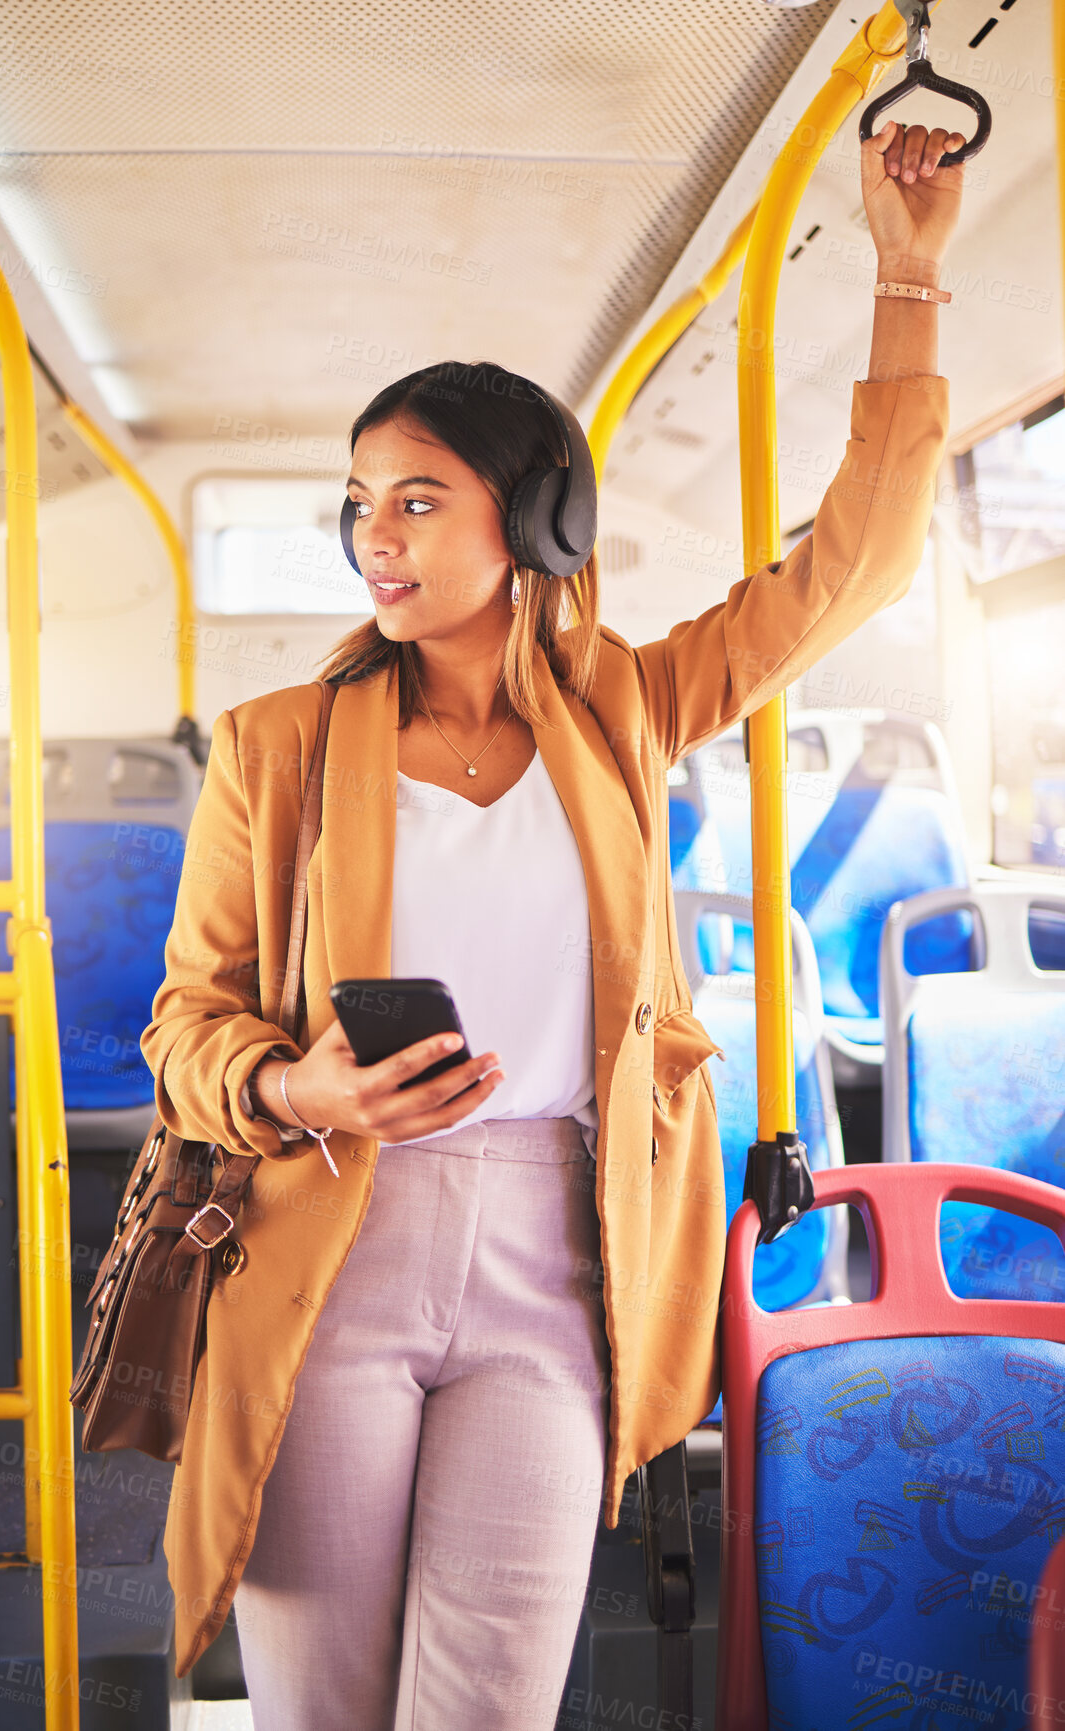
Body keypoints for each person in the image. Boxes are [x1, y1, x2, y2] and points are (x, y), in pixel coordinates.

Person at [141, 120, 964, 1731]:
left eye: (420, 500)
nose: (376, 534)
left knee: (495, 1708)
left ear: (533, 524)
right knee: (323, 1711)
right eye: (359, 504)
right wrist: (303, 1087)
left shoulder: (627, 713)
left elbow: (852, 569)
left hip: (557, 1255)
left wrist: (910, 276)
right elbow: (185, 1030)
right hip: (329, 1238)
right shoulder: (276, 749)